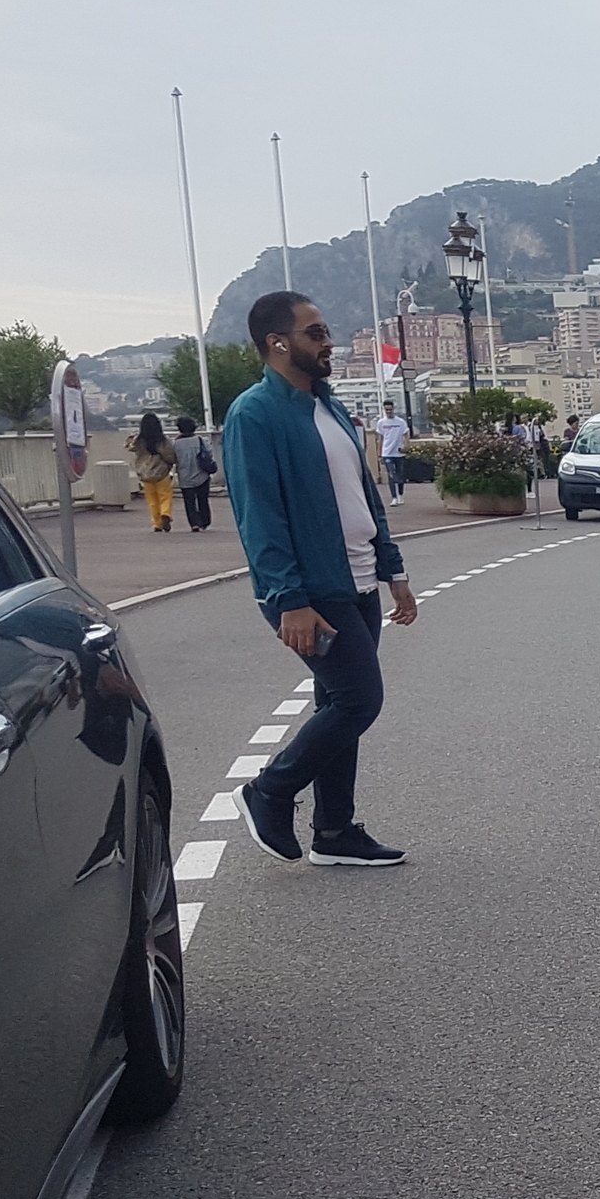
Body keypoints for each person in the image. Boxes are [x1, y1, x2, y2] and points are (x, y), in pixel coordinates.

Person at [225, 290, 418, 868]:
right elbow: (259, 516)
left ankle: (334, 830)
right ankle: (269, 790)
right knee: (360, 700)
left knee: (335, 703)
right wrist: (289, 600)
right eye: (315, 332)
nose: (328, 340)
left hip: (358, 580)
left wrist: (393, 569)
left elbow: (364, 497)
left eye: (325, 329)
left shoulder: (331, 408)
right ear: (277, 343)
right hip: (313, 590)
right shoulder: (254, 415)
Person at [127, 413, 178, 531]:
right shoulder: (161, 440)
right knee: (165, 496)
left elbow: (129, 446)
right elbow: (169, 455)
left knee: (152, 500)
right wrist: (171, 463)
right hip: (161, 473)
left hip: (145, 474)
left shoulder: (139, 441)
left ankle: (157, 523)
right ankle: (165, 513)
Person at [171, 416, 217, 531]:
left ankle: (194, 523)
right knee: (203, 499)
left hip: (185, 476)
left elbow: (172, 459)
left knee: (189, 502)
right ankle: (205, 521)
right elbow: (209, 454)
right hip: (202, 474)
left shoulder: (176, 444)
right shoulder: (201, 440)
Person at [376, 401, 409, 506]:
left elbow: (406, 435)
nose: (389, 411)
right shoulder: (381, 423)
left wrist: (406, 446)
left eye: (390, 409)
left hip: (399, 453)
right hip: (387, 453)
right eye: (386, 410)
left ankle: (400, 494)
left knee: (400, 475)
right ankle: (394, 497)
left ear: (393, 409)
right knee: (391, 475)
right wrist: (379, 454)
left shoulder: (401, 422)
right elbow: (380, 439)